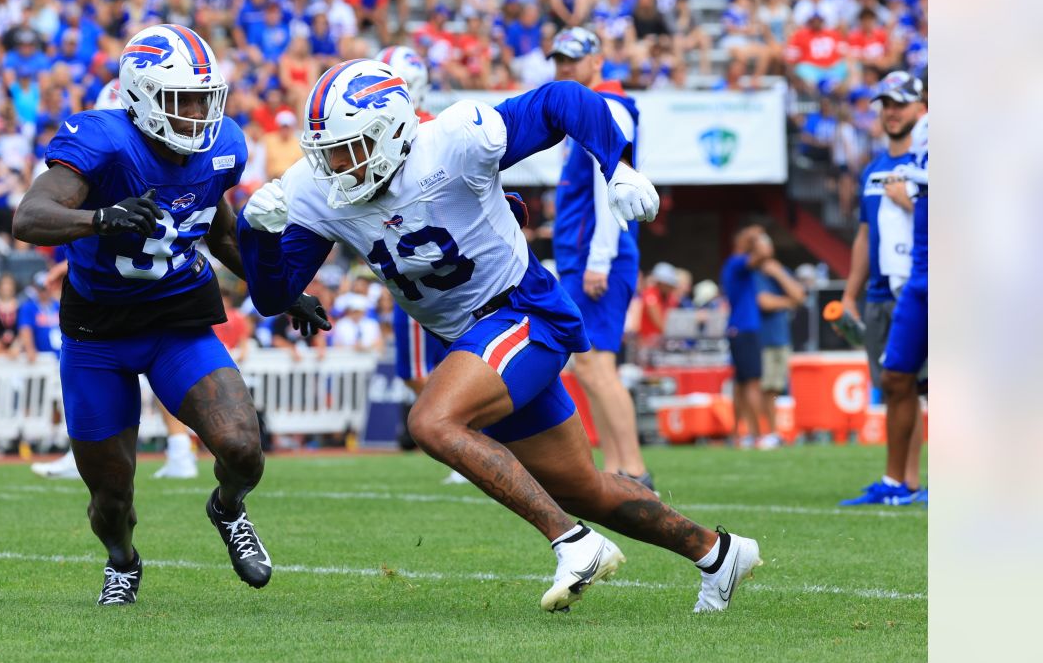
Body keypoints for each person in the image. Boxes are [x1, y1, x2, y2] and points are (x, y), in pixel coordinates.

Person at [237, 59, 761, 613]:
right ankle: (719, 554)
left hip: (522, 311)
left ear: (391, 133)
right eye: (327, 151)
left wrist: (618, 166)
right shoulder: (318, 186)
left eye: (349, 149)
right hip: (474, 339)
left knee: (431, 421)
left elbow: (562, 99)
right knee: (585, 487)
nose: (335, 165)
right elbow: (274, 296)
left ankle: (573, 543)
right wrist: (258, 237)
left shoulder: (455, 139)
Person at [11, 24, 330, 605]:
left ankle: (227, 509)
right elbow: (29, 216)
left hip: (176, 321)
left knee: (242, 448)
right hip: (98, 335)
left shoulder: (221, 147)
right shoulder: (104, 141)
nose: (195, 115)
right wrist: (99, 219)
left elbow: (222, 231)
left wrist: (279, 290)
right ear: (139, 96)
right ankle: (123, 561)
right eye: (181, 100)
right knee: (112, 497)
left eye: (204, 100)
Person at [548, 27, 654, 491]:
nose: (563, 68)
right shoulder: (592, 108)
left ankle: (632, 469)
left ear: (597, 61)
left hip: (597, 257)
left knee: (596, 364)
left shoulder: (607, 108)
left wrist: (599, 260)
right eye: (558, 60)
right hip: (589, 255)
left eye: (572, 59)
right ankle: (619, 467)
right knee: (593, 363)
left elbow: (613, 187)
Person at [374, 44, 463, 480]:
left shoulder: (426, 132)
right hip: (417, 257)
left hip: (425, 260)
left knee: (428, 366)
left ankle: (462, 436)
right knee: (426, 366)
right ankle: (463, 434)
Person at [839, 71, 926, 505]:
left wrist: (907, 200)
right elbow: (862, 235)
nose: (890, 113)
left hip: (922, 286)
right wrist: (849, 294)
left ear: (920, 106)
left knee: (913, 384)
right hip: (879, 293)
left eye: (899, 104)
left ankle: (908, 480)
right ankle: (905, 482)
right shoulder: (873, 169)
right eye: (884, 105)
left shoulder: (928, 162)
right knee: (897, 386)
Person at [752, 233, 806, 451]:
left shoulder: (778, 271)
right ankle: (762, 433)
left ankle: (772, 433)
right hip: (762, 337)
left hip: (781, 337)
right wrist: (788, 301)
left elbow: (800, 296)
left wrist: (779, 274)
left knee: (775, 388)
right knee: (763, 387)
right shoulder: (753, 274)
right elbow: (763, 302)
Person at [721, 226, 768, 448]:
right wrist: (757, 237)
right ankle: (757, 435)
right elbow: (765, 254)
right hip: (745, 329)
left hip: (737, 329)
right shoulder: (737, 262)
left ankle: (738, 434)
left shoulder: (732, 265)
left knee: (741, 384)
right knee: (752, 383)